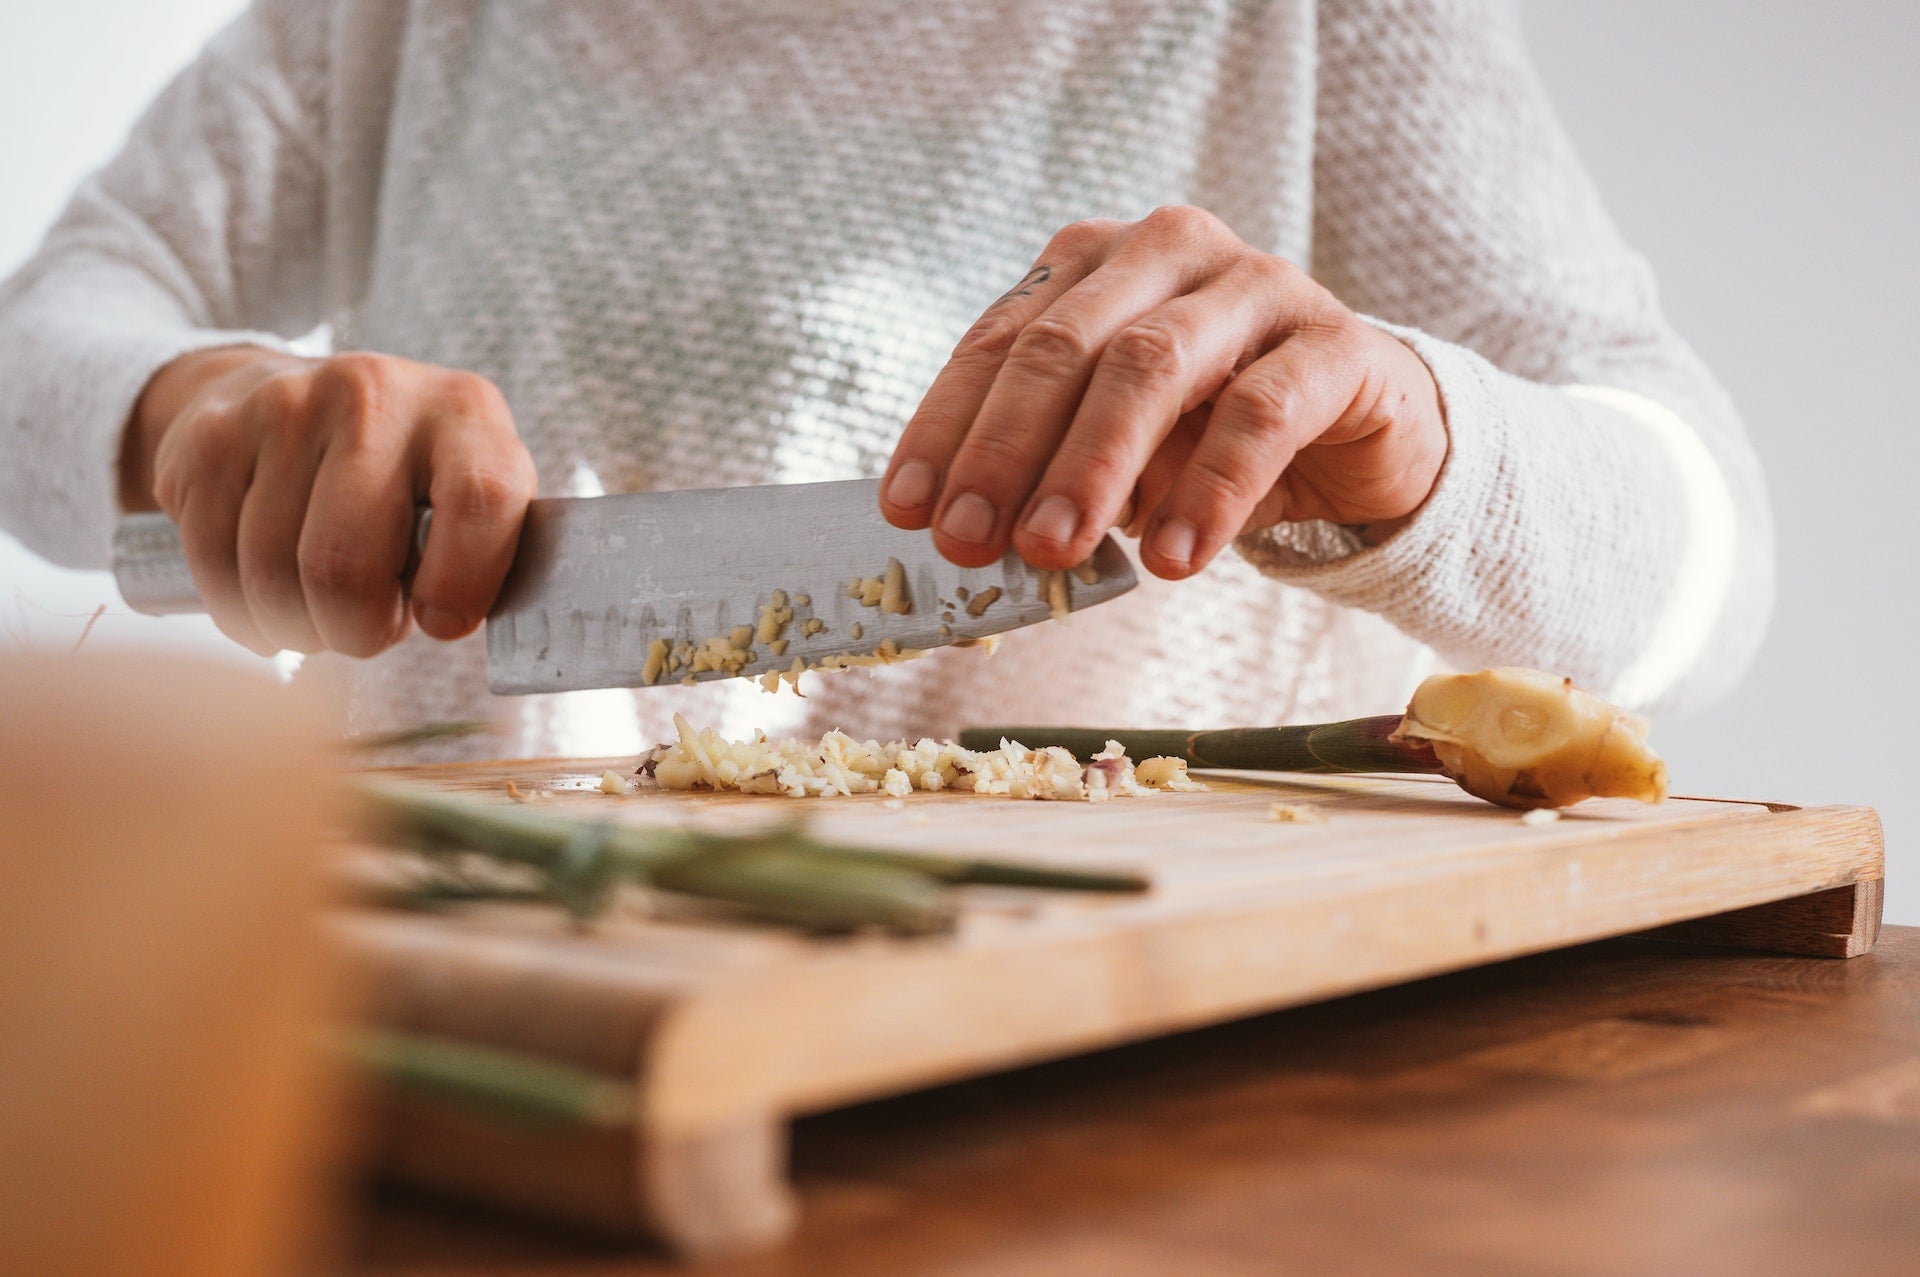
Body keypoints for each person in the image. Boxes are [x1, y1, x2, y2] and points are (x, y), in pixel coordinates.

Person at [0, 0, 1771, 759]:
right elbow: (44, 331)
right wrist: (188, 411)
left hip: (1126, 1089)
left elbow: (1711, 568)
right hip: (458, 1037)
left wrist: (1431, 446)